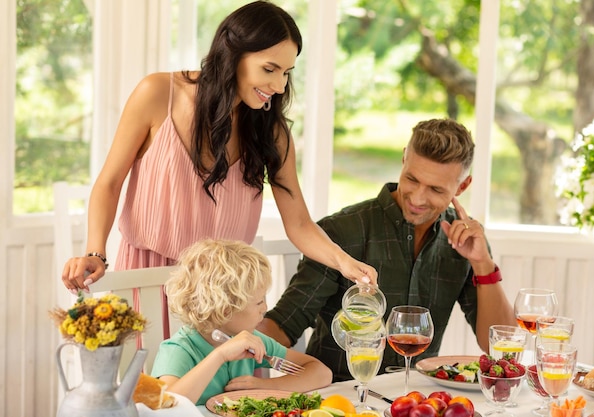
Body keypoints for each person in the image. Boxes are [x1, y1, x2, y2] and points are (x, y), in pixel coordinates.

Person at [60, 1, 376, 294]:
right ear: (233, 54)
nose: (279, 86)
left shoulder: (272, 131)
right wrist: (95, 251)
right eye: (269, 69)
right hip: (148, 279)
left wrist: (344, 263)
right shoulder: (157, 94)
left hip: (225, 293)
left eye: (285, 73)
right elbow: (110, 181)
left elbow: (299, 224)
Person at [257, 118, 517, 381]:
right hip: (341, 396)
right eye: (412, 179)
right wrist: (228, 348)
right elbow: (284, 324)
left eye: (436, 189)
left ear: (462, 186)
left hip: (418, 400)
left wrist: (482, 263)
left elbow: (500, 347)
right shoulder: (341, 231)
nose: (416, 198)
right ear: (404, 158)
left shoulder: (464, 242)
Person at [150, 238, 332, 405]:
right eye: (259, 302)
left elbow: (321, 373)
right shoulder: (178, 350)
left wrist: (264, 386)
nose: (265, 308)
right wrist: (220, 355)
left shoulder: (251, 340)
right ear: (225, 309)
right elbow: (167, 407)